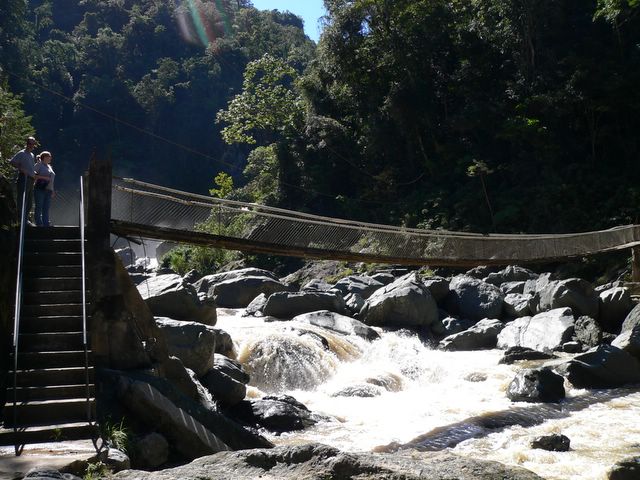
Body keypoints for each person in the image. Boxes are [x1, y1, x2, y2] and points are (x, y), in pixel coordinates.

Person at [8, 137, 37, 224]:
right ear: (26, 144)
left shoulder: (32, 155)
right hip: (23, 178)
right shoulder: (22, 153)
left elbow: (30, 167)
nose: (31, 145)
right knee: (22, 200)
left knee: (29, 202)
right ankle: (20, 220)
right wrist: (21, 168)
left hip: (31, 180)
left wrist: (34, 173)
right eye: (29, 144)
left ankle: (25, 219)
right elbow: (12, 162)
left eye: (33, 144)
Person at [33, 151, 56, 227]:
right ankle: (39, 223)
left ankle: (46, 223)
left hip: (48, 190)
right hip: (40, 189)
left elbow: (51, 180)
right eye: (49, 156)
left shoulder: (49, 166)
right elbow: (33, 175)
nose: (51, 158)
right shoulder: (39, 165)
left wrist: (52, 190)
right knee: (39, 206)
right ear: (45, 157)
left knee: (46, 207)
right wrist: (44, 177)